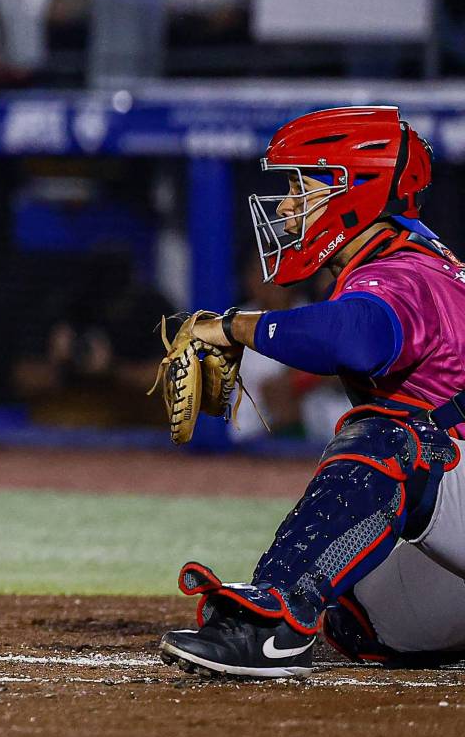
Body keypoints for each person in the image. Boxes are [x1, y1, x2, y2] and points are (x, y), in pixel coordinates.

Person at [159, 107, 465, 678]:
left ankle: (271, 619)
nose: (287, 205)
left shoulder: (405, 273)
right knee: (364, 622)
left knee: (393, 439)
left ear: (360, 192)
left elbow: (356, 339)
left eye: (305, 186)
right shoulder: (408, 259)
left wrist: (233, 327)